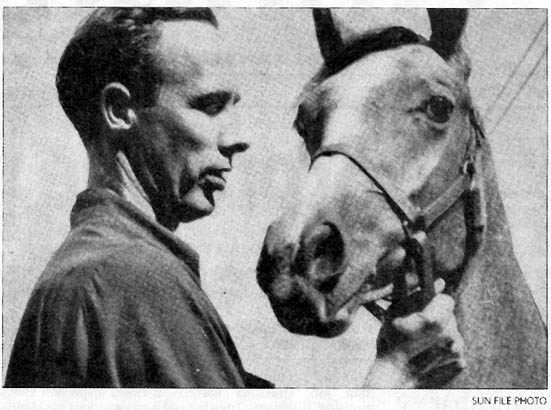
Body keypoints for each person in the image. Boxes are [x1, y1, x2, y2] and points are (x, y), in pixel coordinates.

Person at [5, 7, 464, 388]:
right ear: (120, 111)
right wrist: (398, 373)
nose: (238, 139)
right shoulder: (130, 277)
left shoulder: (89, 267)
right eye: (208, 106)